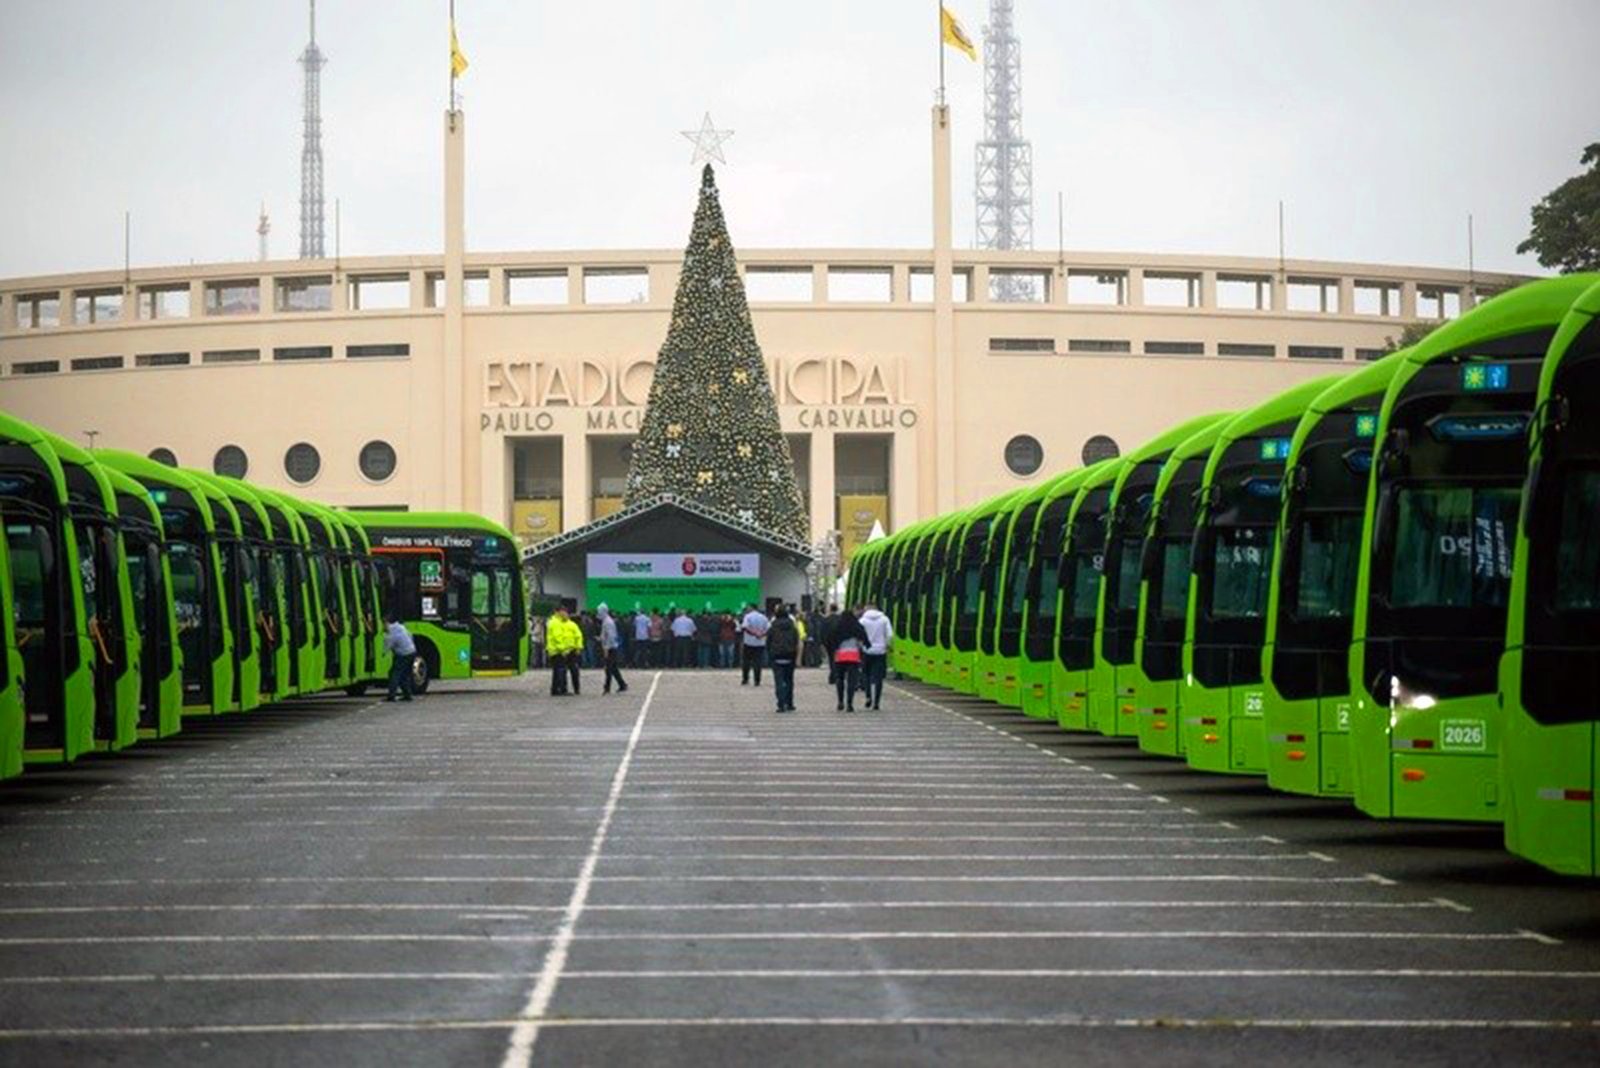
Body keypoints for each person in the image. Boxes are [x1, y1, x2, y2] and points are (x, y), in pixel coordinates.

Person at [827, 607, 869, 712]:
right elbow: (863, 640)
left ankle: (840, 701)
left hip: (840, 656)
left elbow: (831, 640)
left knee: (839, 679)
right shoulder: (857, 627)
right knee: (851, 681)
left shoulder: (837, 627)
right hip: (853, 656)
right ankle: (850, 704)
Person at [858, 601, 894, 710]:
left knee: (866, 675)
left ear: (867, 608)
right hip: (880, 652)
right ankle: (877, 702)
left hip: (867, 651)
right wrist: (887, 645)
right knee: (879, 678)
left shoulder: (862, 620)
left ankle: (868, 696)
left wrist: (861, 645)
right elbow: (890, 634)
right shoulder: (884, 619)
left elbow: (858, 634)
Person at [766, 604, 800, 713]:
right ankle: (790, 703)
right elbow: (796, 641)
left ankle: (781, 704)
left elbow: (768, 642)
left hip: (776, 655)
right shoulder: (793, 627)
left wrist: (770, 654)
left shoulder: (772, 627)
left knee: (779, 680)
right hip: (790, 655)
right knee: (789, 680)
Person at [547, 606, 582, 696]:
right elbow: (557, 637)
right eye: (563, 612)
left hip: (564, 650)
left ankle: (556, 689)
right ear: (558, 612)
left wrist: (577, 647)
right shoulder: (556, 623)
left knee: (559, 671)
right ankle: (561, 689)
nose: (564, 614)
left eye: (565, 612)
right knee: (560, 671)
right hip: (558, 651)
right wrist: (563, 650)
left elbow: (578, 636)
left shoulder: (564, 623)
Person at [384, 614, 417, 702]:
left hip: (403, 654)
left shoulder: (391, 634)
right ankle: (407, 695)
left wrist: (383, 654)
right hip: (412, 651)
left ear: (386, 623)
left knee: (394, 674)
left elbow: (386, 648)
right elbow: (410, 635)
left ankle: (391, 695)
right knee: (405, 674)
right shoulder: (401, 627)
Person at [597, 604, 628, 694]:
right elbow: (606, 635)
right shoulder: (606, 621)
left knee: (608, 668)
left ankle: (607, 688)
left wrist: (606, 648)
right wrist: (601, 638)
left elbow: (611, 636)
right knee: (613, 668)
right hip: (611, 647)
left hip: (610, 648)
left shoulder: (608, 622)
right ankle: (622, 684)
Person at [740, 603, 770, 686]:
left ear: (751, 608)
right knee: (758, 662)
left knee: (746, 662)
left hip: (749, 642)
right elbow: (768, 629)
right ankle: (757, 680)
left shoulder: (748, 616)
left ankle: (745, 679)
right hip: (760, 643)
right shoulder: (764, 617)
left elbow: (745, 627)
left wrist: (754, 633)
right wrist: (761, 634)